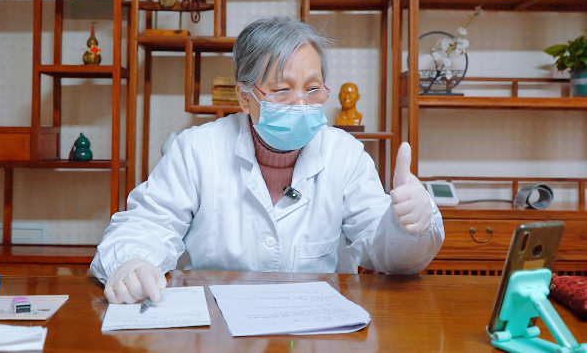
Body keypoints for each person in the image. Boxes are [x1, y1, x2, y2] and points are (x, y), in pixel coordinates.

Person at [91, 16, 445, 304]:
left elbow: (386, 255)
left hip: (314, 330)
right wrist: (131, 262)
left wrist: (410, 225)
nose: (301, 103)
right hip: (217, 330)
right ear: (245, 98)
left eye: (312, 89)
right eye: (281, 90)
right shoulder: (198, 149)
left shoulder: (345, 155)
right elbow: (146, 226)